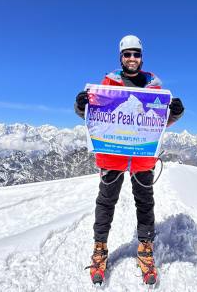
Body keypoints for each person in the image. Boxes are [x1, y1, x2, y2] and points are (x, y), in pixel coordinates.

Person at [75, 35, 184, 285]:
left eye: (136, 54)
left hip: (142, 158)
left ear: (141, 57)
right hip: (112, 155)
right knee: (106, 202)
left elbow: (157, 123)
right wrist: (82, 106)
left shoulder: (154, 87)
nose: (132, 59)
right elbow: (96, 116)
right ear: (120, 57)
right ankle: (100, 248)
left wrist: (175, 114)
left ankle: (145, 248)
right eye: (127, 54)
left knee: (145, 202)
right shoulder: (108, 83)